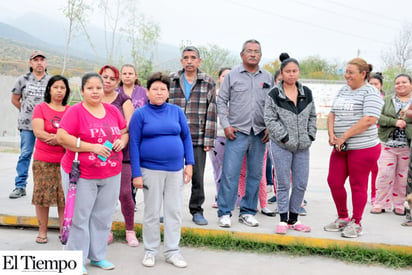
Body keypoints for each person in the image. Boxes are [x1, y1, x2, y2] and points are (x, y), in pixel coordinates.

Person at [56, 72, 128, 274]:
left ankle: (97, 256)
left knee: (103, 216)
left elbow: (124, 132)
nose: (95, 91)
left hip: (111, 172)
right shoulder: (76, 112)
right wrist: (92, 147)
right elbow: (61, 136)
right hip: (82, 174)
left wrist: (122, 141)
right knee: (79, 217)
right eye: (90, 88)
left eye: (98, 87)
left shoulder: (113, 110)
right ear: (82, 91)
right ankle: (75, 259)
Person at [129, 72, 194, 268]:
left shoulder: (176, 112)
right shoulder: (140, 114)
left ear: (168, 93)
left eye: (162, 89)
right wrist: (136, 174)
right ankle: (150, 251)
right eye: (155, 89)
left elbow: (186, 138)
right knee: (151, 212)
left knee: (174, 211)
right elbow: (133, 143)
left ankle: (172, 251)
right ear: (147, 92)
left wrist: (189, 163)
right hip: (149, 170)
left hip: (175, 170)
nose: (159, 92)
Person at [324, 58, 383, 238]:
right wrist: (331, 134)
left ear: (363, 74)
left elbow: (369, 120)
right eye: (346, 72)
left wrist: (344, 136)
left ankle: (356, 222)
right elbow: (332, 114)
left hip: (363, 148)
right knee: (334, 181)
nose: (347, 75)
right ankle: (343, 217)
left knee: (357, 185)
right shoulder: (343, 90)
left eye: (351, 72)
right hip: (341, 147)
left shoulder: (371, 92)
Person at [216, 39, 273, 228]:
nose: (253, 54)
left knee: (255, 175)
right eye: (249, 51)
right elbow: (221, 101)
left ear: (261, 55)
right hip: (236, 133)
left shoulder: (268, 77)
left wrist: (269, 127)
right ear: (242, 55)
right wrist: (226, 125)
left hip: (259, 133)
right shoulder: (232, 75)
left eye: (257, 51)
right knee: (230, 174)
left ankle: (248, 212)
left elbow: (272, 106)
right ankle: (225, 212)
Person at [264, 53, 317, 234]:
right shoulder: (274, 94)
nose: (291, 74)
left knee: (301, 182)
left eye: (294, 71)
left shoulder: (306, 93)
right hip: (281, 145)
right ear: (282, 73)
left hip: (303, 146)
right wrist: (285, 137)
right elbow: (270, 119)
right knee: (284, 183)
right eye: (288, 71)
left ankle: (294, 219)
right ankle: (283, 219)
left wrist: (310, 136)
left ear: (298, 72)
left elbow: (312, 116)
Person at [169, 46, 217, 226]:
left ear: (199, 61)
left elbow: (212, 111)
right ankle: (169, 210)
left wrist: (209, 139)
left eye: (193, 58)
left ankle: (197, 210)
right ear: (181, 61)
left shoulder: (208, 81)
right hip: (173, 137)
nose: (189, 61)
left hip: (197, 137)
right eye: (186, 58)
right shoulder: (171, 80)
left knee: (197, 176)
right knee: (171, 176)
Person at [99, 65, 138, 247]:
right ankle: (105, 229)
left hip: (121, 151)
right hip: (97, 152)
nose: (107, 81)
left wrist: (121, 140)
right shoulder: (94, 97)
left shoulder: (124, 99)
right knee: (103, 195)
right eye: (104, 77)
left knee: (124, 192)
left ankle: (130, 230)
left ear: (117, 81)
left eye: (111, 78)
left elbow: (129, 126)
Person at [31, 75, 70, 244]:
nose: (59, 91)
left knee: (64, 197)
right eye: (56, 87)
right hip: (43, 160)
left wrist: (60, 139)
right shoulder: (40, 108)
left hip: (65, 161)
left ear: (66, 91)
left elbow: (73, 133)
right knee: (42, 197)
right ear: (49, 89)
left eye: (62, 87)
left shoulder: (70, 110)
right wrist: (60, 138)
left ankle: (64, 230)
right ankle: (42, 231)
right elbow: (38, 132)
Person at [10, 50, 51, 199]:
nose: (39, 62)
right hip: (27, 125)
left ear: (45, 63)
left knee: (46, 156)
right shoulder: (23, 79)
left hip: (46, 126)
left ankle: (46, 187)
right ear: (31, 63)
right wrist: (25, 111)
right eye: (36, 60)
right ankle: (20, 186)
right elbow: (15, 99)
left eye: (42, 59)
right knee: (26, 153)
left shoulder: (51, 80)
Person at [370, 74, 412, 215]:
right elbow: (377, 117)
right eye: (397, 83)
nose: (400, 85)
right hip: (388, 146)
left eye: (404, 82)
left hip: (407, 147)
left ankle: (399, 204)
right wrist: (395, 122)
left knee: (403, 177)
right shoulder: (387, 100)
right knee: (384, 175)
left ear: (410, 84)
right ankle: (380, 203)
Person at [117, 64, 148, 207]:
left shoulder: (143, 92)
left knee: (135, 166)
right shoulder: (116, 92)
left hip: (139, 134)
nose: (127, 76)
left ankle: (132, 196)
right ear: (121, 76)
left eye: (130, 73)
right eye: (125, 73)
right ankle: (122, 196)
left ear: (136, 76)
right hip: (119, 134)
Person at [209, 67, 231, 208]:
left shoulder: (238, 95)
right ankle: (220, 197)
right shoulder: (213, 96)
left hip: (235, 137)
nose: (227, 78)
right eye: (224, 76)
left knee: (233, 170)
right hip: (218, 136)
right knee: (219, 169)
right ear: (219, 78)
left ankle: (235, 197)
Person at [368, 72, 385, 205]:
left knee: (378, 170)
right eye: (371, 84)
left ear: (381, 86)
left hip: (382, 139)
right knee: (370, 168)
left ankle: (376, 195)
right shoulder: (364, 98)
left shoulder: (386, 101)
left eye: (376, 84)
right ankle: (372, 194)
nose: (373, 86)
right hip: (367, 138)